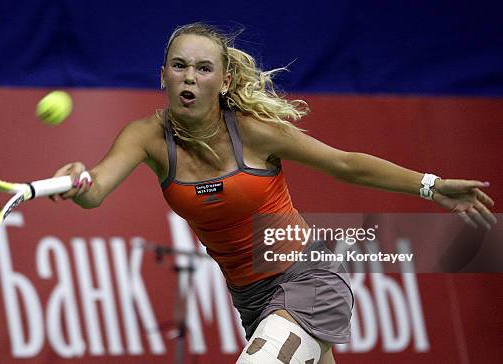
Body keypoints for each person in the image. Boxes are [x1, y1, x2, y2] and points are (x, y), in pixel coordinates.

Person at [51, 23, 496, 364]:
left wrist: (430, 185)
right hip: (250, 298)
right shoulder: (145, 137)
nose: (189, 77)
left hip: (307, 278)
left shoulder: (255, 132)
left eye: (203, 68)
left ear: (224, 82)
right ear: (162, 75)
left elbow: (344, 164)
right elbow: (97, 189)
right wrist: (79, 181)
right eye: (179, 66)